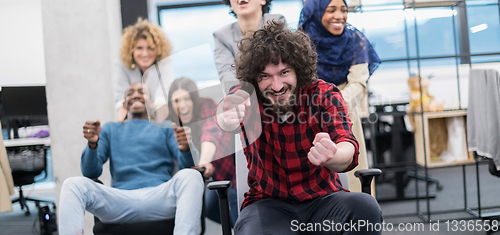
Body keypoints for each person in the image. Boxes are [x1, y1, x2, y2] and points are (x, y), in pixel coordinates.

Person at [215, 21, 382, 234]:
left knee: (364, 207)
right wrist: (227, 117)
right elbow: (226, 111)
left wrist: (333, 155)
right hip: (268, 205)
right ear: (254, 78)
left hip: (323, 200)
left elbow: (347, 145)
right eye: (265, 76)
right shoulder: (247, 97)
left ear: (298, 69)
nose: (276, 86)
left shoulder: (324, 95)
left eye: (284, 72)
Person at [58, 82, 203, 235]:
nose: (135, 95)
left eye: (141, 91)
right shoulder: (110, 129)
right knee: (72, 184)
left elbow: (188, 166)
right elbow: (90, 172)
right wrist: (92, 145)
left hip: (159, 198)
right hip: (120, 201)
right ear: (124, 104)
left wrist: (186, 148)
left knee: (192, 176)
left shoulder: (165, 127)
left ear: (152, 102)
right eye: (130, 93)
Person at [299, 0, 381, 192]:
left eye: (344, 10)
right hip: (308, 114)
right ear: (316, 12)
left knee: (351, 179)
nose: (340, 16)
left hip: (345, 111)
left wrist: (333, 103)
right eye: (331, 10)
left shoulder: (355, 40)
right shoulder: (300, 43)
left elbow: (359, 83)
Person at [167, 77, 238, 227]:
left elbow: (211, 132)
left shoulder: (207, 106)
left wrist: (205, 161)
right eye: (177, 101)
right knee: (209, 208)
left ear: (194, 100)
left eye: (187, 99)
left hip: (234, 176)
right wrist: (185, 148)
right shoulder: (175, 125)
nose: (182, 105)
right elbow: (186, 166)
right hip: (216, 180)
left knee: (237, 214)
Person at [214, 0, 285, 89]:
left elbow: (281, 63)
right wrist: (238, 95)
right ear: (231, 4)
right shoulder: (222, 36)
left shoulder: (276, 22)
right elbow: (226, 72)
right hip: (244, 95)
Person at [115, 18, 174, 121]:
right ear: (131, 49)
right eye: (139, 48)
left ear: (158, 49)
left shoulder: (165, 64)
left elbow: (161, 99)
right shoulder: (122, 65)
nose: (145, 54)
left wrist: (158, 128)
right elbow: (121, 101)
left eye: (150, 48)